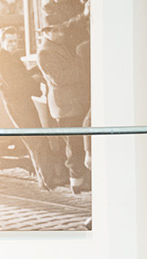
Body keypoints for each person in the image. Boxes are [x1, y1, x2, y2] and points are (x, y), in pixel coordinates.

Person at [0, 27, 65, 190]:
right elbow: (16, 86)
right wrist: (35, 79)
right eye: (9, 41)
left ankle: (46, 178)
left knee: (37, 138)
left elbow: (22, 78)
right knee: (36, 140)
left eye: (15, 41)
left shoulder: (11, 57)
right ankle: (48, 180)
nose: (13, 44)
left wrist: (37, 70)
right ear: (2, 42)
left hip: (23, 103)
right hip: (17, 105)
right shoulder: (1, 61)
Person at [37, 0, 91, 194]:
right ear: (45, 32)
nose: (61, 34)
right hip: (65, 107)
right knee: (74, 145)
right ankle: (76, 183)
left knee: (77, 142)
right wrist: (81, 67)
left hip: (72, 102)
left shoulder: (58, 46)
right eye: (56, 31)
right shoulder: (45, 52)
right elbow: (59, 79)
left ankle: (80, 180)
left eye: (61, 31)